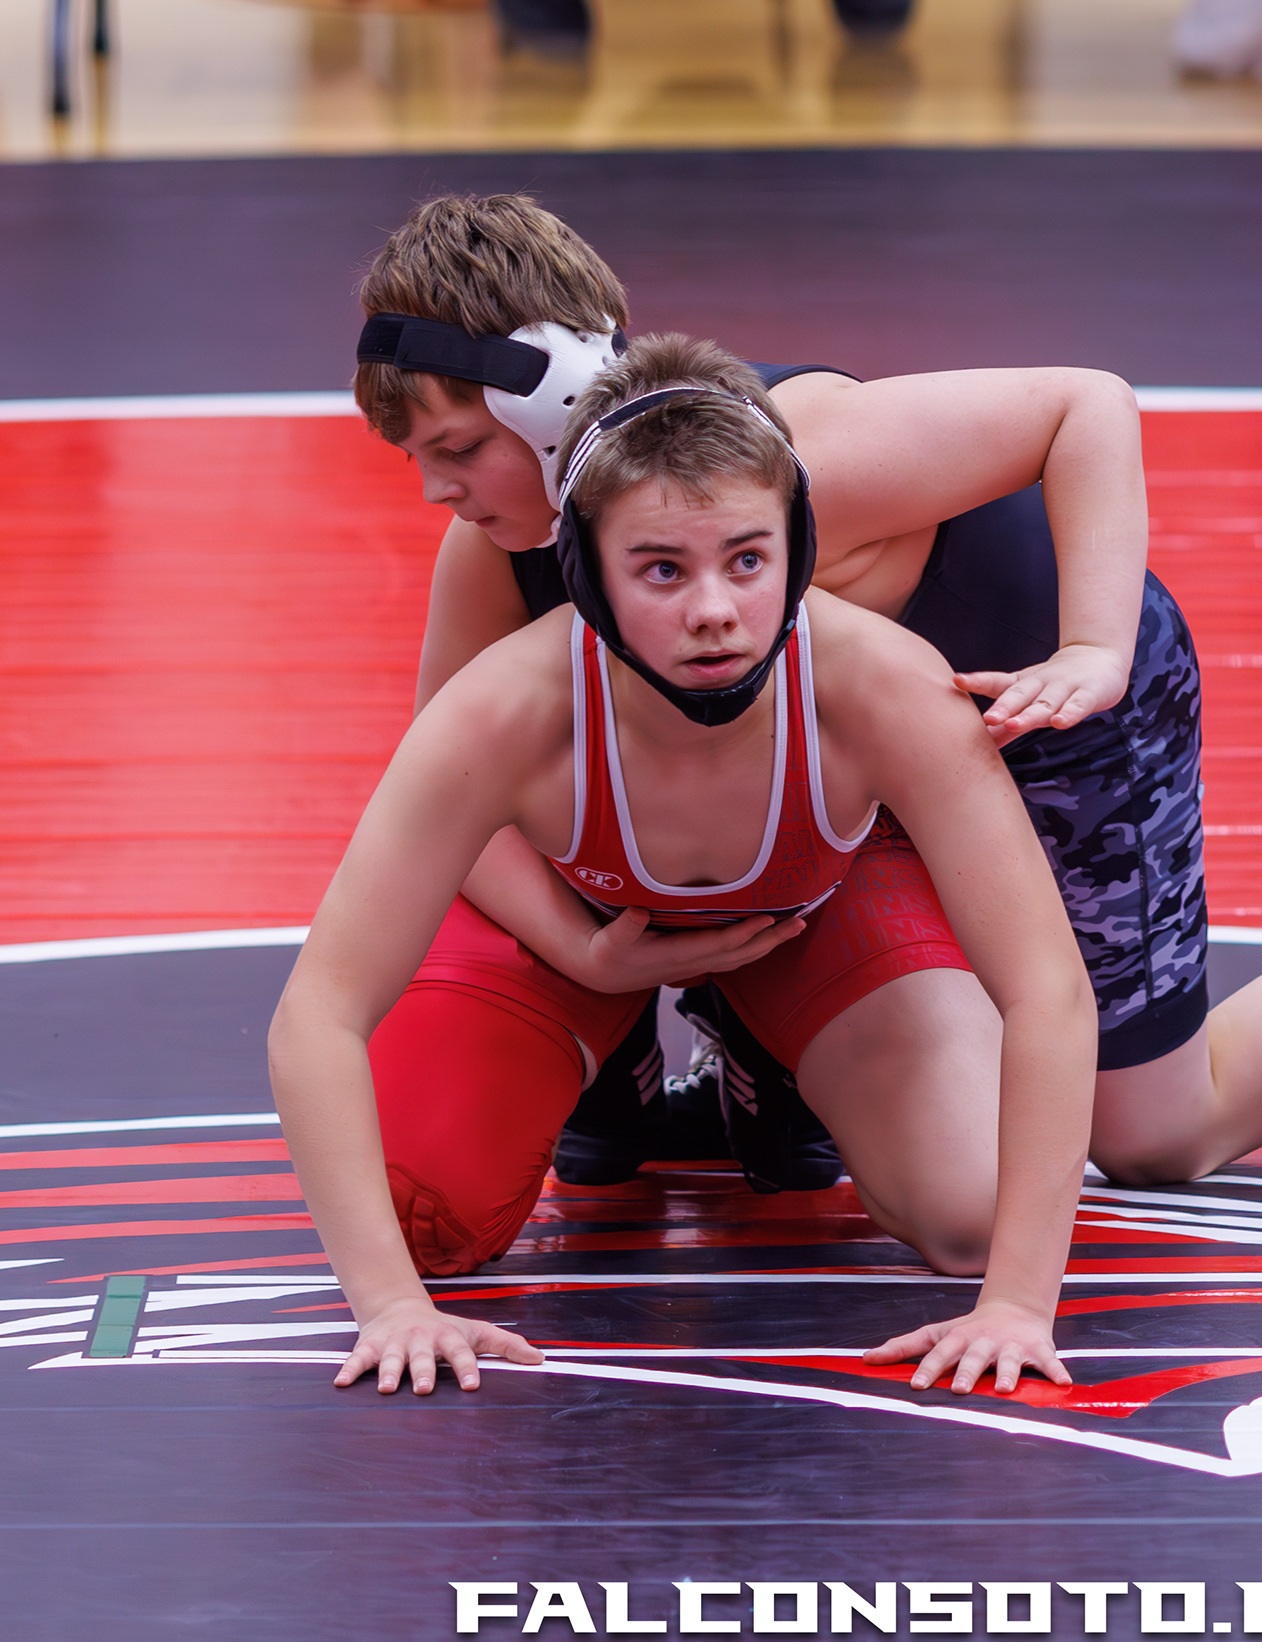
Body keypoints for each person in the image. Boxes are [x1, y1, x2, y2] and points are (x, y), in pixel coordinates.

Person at [349, 192, 1262, 1200]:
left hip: (1037, 711)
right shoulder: (495, 550)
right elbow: (449, 793)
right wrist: (584, 953)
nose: (436, 489)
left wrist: (1093, 647)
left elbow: (1082, 407)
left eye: (456, 448)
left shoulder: (793, 460)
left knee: (1156, 1130)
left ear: (556, 401)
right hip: (867, 757)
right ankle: (731, 1052)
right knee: (588, 754)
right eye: (416, 457)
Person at [271, 337, 1098, 1399]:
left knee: (975, 1213)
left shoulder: (884, 686)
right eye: (662, 570)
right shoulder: (503, 709)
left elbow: (1048, 990)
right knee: (416, 1216)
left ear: (796, 548)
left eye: (747, 561)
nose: (714, 610)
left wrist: (1020, 1301)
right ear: (587, 572)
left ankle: (769, 1055)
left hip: (801, 909)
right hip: (579, 920)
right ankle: (614, 1059)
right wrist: (389, 1302)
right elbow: (317, 1014)